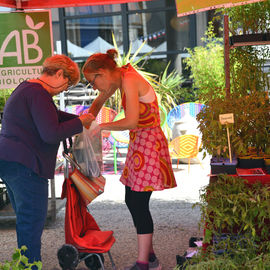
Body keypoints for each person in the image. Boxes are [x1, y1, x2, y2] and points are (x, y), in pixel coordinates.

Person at [82, 49, 177, 270]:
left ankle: (144, 263)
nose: (93, 87)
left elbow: (132, 120)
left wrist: (102, 126)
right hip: (140, 146)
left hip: (148, 146)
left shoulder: (130, 79)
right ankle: (150, 257)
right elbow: (99, 102)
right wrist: (85, 120)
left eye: (92, 82)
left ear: (103, 73)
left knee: (138, 203)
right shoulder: (120, 76)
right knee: (132, 200)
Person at [0, 54, 94, 265]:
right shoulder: (38, 94)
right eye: (68, 84)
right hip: (26, 165)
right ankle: (30, 265)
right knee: (32, 222)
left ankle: (26, 263)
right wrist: (80, 123)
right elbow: (50, 133)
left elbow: (53, 117)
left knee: (26, 222)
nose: (64, 89)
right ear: (59, 74)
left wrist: (81, 120)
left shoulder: (27, 89)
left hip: (11, 161)